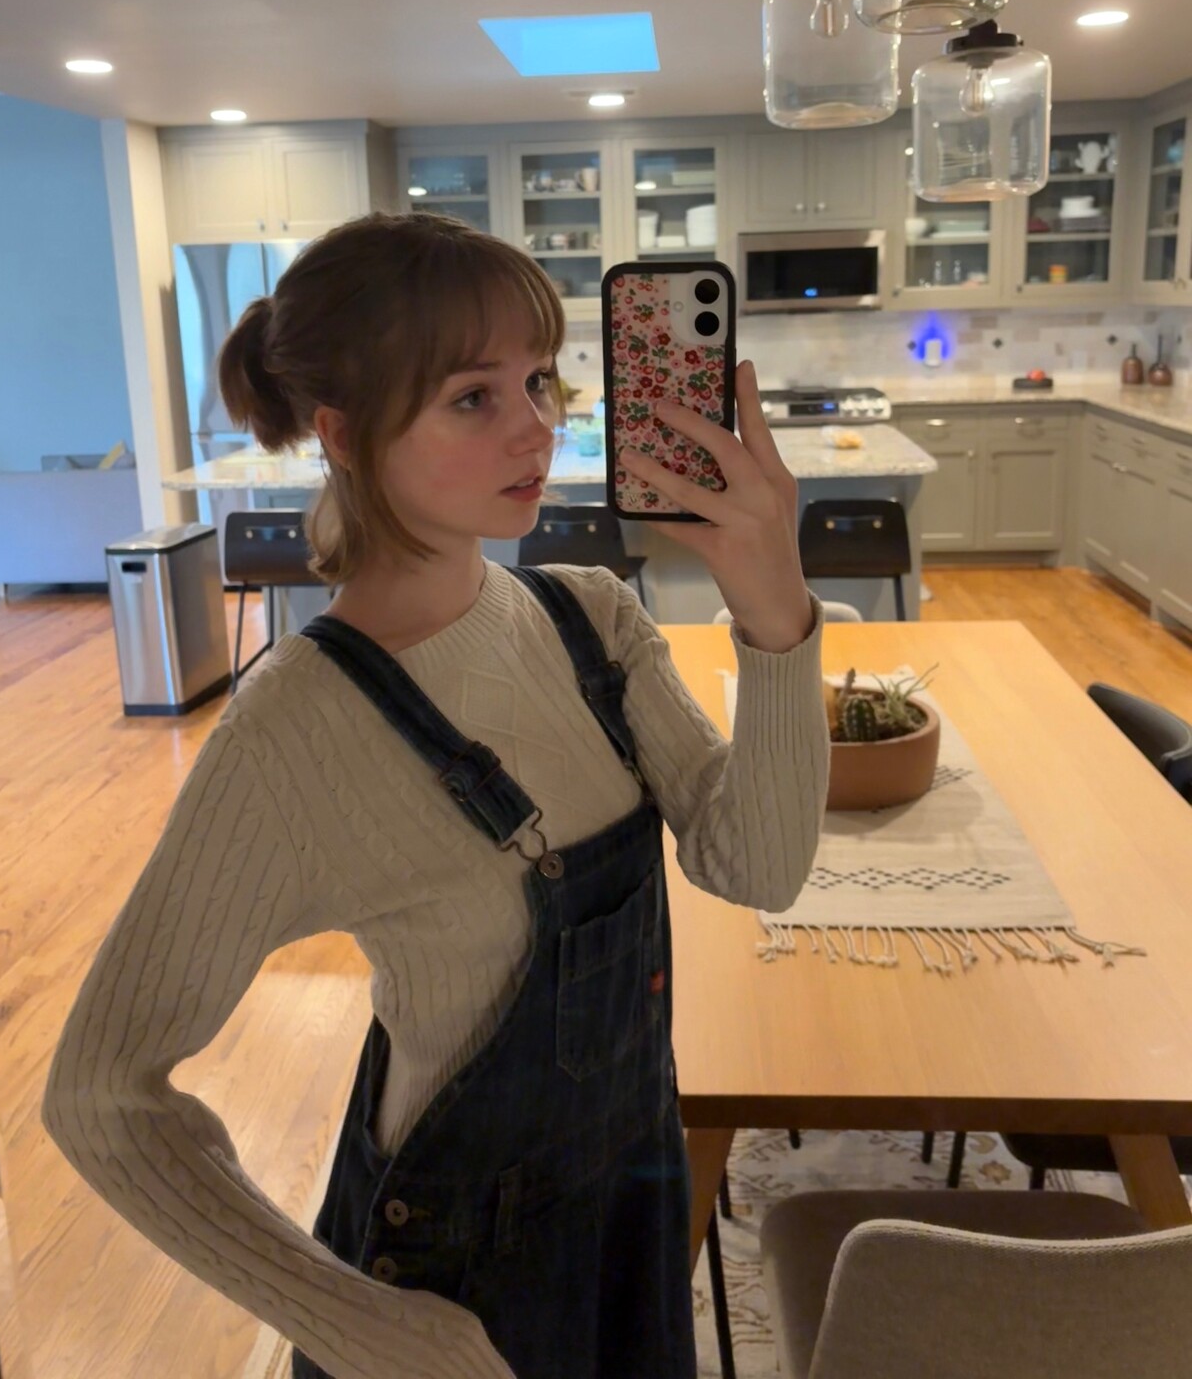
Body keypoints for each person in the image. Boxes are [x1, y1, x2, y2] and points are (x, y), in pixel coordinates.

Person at [42, 211, 828, 1379]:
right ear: (343, 433)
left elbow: (756, 866)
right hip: (452, 1290)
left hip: (633, 1202)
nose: (536, 424)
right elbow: (98, 1094)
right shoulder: (293, 732)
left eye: (538, 379)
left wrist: (775, 609)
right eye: (473, 397)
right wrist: (360, 1323)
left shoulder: (591, 619)